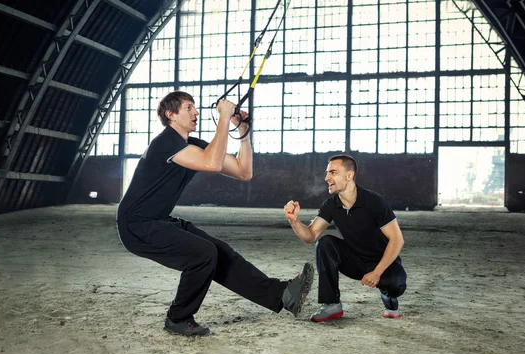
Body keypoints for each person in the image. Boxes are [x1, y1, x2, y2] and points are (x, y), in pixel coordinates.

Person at [116, 91, 314, 336]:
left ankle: (282, 294)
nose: (195, 112)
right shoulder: (166, 142)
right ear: (170, 115)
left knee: (219, 251)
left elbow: (244, 171)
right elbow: (211, 163)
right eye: (188, 108)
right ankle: (178, 318)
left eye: (195, 107)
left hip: (158, 221)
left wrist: (243, 133)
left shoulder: (192, 145)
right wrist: (223, 118)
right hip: (136, 225)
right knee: (202, 254)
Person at [283, 154, 407, 322]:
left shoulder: (374, 201)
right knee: (324, 243)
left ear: (349, 176)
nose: (327, 178)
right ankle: (331, 304)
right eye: (327, 173)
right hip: (354, 261)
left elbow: (397, 240)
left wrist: (377, 273)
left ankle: (389, 297)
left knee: (396, 283)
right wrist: (294, 221)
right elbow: (311, 236)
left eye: (333, 172)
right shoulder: (331, 205)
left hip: (381, 262)